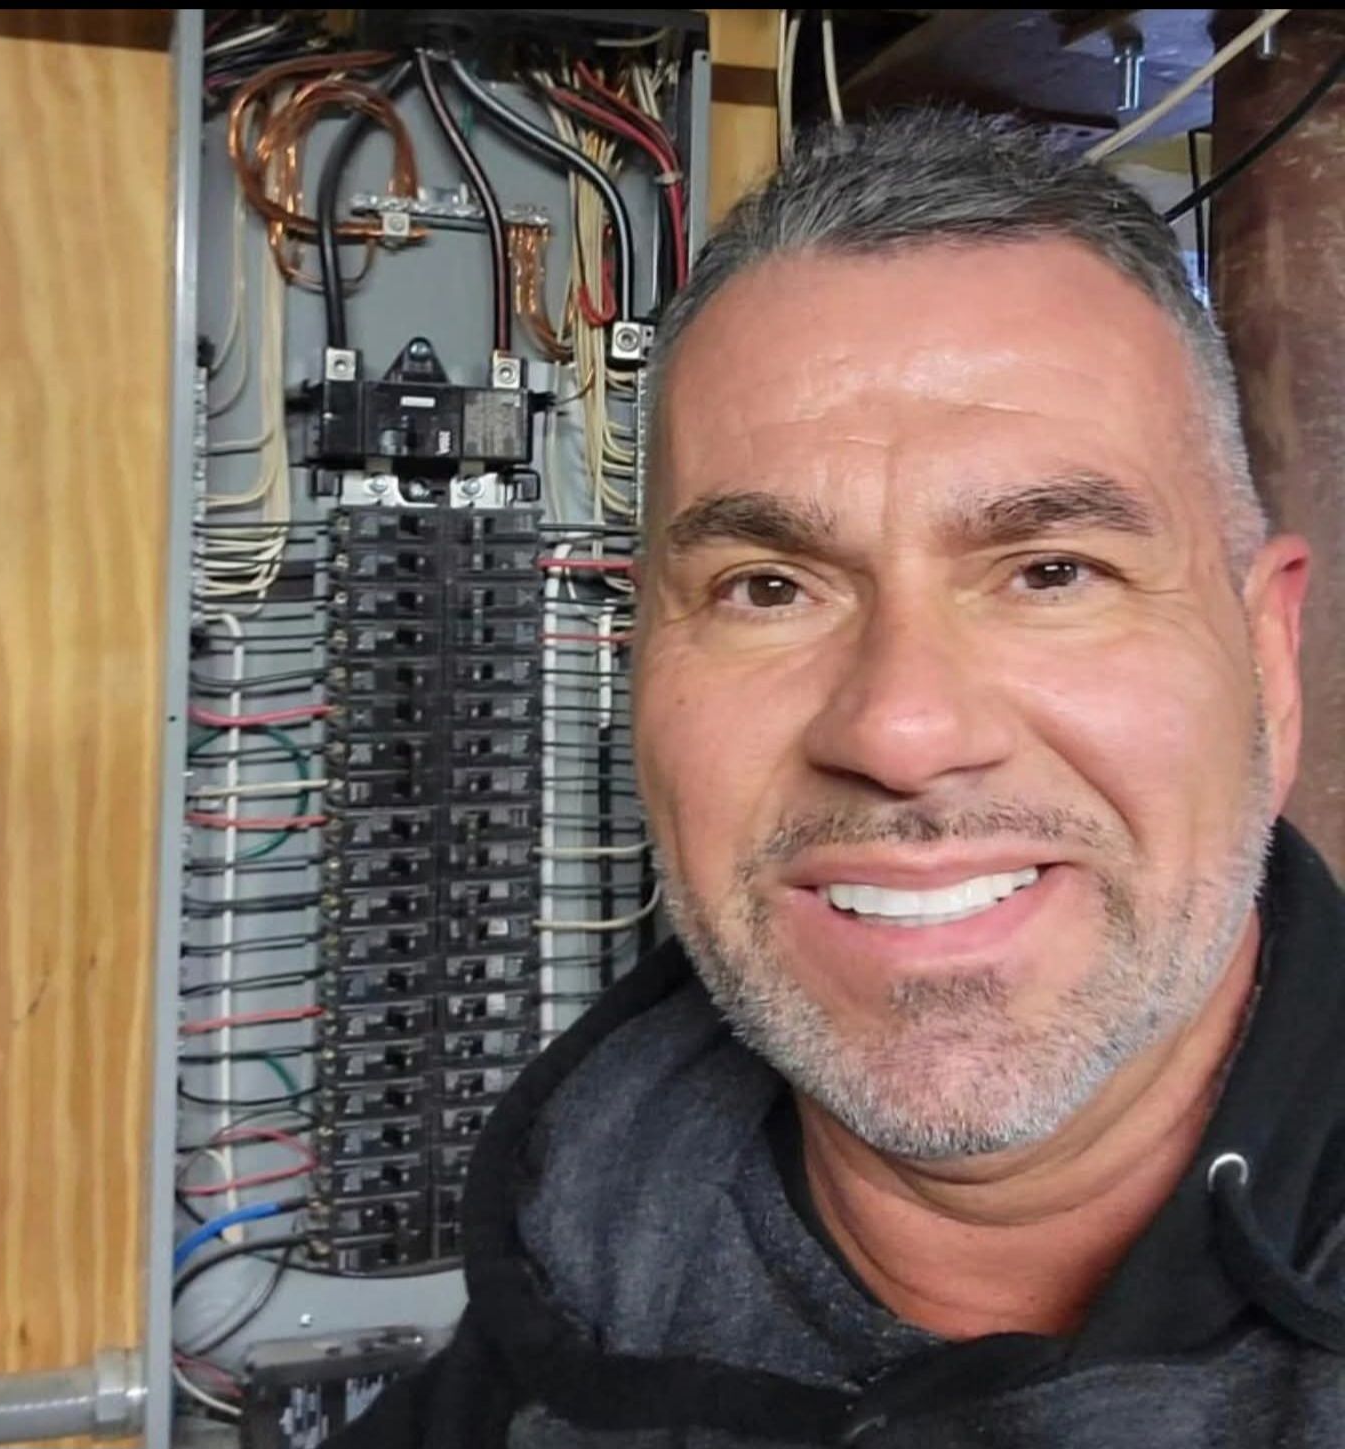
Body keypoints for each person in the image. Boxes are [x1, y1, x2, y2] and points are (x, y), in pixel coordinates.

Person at [339, 110, 1345, 1448]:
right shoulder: (547, 1309)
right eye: (769, 587)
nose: (902, 728)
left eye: (1051, 572)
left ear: (1268, 664)